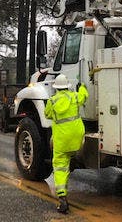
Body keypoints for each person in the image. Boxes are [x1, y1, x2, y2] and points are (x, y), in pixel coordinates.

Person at [44, 73, 89, 214]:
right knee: (71, 155)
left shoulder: (52, 101)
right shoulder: (75, 97)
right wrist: (82, 87)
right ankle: (74, 159)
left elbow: (47, 114)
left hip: (62, 140)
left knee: (60, 167)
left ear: (56, 88)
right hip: (76, 138)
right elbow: (84, 96)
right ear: (67, 86)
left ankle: (62, 198)